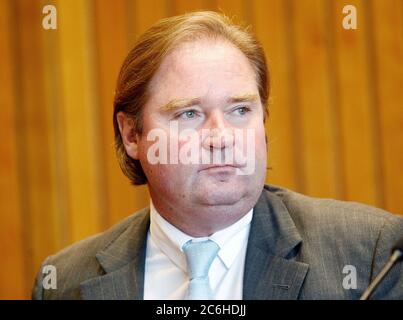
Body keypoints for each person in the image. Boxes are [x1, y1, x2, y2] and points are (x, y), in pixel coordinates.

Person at [32, 11, 403, 300]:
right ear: (131, 134)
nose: (222, 137)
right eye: (189, 114)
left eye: (240, 110)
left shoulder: (370, 254)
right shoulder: (63, 282)